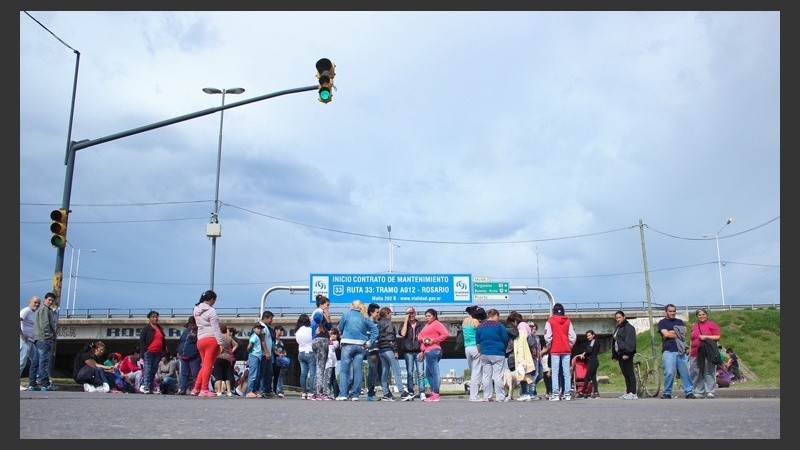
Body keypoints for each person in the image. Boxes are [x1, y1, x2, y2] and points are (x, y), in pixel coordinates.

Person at [336, 300, 378, 401]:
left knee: (344, 370)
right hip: (361, 345)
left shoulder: (346, 314)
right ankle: (355, 395)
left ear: (354, 305)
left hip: (348, 344)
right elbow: (375, 331)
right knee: (358, 370)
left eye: (350, 304)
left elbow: (340, 327)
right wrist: (369, 342)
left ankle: (343, 394)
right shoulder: (364, 317)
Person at [657, 303, 696, 399]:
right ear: (666, 312)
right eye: (670, 311)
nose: (672, 313)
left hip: (681, 351)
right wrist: (677, 332)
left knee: (685, 372)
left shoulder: (680, 321)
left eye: (674, 311)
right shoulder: (662, 322)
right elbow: (666, 335)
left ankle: (689, 392)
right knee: (669, 372)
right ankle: (667, 392)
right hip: (668, 351)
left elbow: (684, 333)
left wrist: (670, 332)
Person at [376, 307, 413, 401]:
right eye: (390, 314)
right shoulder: (388, 323)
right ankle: (402, 392)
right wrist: (395, 351)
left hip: (381, 350)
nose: (391, 315)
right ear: (387, 314)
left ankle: (386, 393)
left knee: (384, 372)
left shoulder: (378, 324)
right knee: (397, 372)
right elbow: (391, 338)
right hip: (389, 349)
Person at [192, 289, 223, 397]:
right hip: (211, 339)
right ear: (211, 299)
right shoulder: (211, 311)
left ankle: (196, 388)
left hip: (200, 339)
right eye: (214, 300)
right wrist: (220, 342)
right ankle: (204, 389)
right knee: (208, 366)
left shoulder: (196, 309)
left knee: (205, 365)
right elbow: (215, 328)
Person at [475, 308, 509, 402]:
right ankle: (500, 396)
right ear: (495, 316)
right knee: (498, 375)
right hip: (498, 352)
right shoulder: (499, 326)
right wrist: (504, 347)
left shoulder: (480, 327)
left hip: (485, 353)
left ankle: (487, 396)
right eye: (498, 316)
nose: (498, 318)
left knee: (486, 376)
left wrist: (480, 352)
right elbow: (505, 338)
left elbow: (477, 342)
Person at [544, 302, 576, 401]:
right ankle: (567, 394)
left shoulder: (550, 321)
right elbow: (573, 336)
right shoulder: (568, 321)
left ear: (553, 311)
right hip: (566, 349)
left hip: (555, 349)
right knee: (566, 372)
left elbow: (547, 336)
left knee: (555, 372)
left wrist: (549, 345)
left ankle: (556, 394)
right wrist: (570, 345)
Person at [417, 308, 450, 402]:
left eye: (429, 316)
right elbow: (419, 336)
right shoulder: (426, 325)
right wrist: (423, 340)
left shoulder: (437, 324)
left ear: (434, 316)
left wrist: (433, 340)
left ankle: (435, 394)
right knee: (428, 373)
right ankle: (434, 393)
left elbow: (445, 334)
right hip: (427, 351)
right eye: (426, 316)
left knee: (435, 373)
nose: (427, 318)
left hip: (434, 350)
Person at [689, 308, 722, 399]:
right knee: (696, 372)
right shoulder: (694, 326)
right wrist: (690, 352)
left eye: (703, 314)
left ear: (706, 315)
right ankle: (699, 391)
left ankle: (710, 391)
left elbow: (717, 337)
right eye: (699, 315)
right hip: (695, 353)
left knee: (709, 371)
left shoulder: (712, 325)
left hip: (708, 352)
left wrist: (706, 337)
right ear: (697, 316)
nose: (701, 316)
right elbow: (692, 340)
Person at [29, 292, 59, 391]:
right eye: (49, 300)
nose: (50, 302)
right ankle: (45, 384)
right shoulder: (45, 310)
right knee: (44, 362)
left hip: (38, 339)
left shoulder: (40, 310)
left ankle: (32, 384)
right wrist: (50, 336)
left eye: (52, 300)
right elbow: (46, 325)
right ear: (44, 300)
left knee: (35, 362)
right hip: (44, 339)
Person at [138, 310, 167, 394]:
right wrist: (144, 351)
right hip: (149, 352)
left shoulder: (159, 328)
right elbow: (142, 341)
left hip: (158, 352)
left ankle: (151, 386)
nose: (155, 318)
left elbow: (162, 340)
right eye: (153, 317)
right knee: (148, 369)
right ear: (149, 318)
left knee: (153, 370)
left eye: (156, 317)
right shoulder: (146, 329)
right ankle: (146, 386)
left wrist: (164, 350)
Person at [399, 306, 425, 399]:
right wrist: (406, 321)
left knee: (420, 372)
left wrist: (423, 351)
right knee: (410, 372)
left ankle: (422, 392)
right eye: (408, 313)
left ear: (415, 313)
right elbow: (402, 334)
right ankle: (410, 391)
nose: (411, 315)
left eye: (412, 313)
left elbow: (424, 338)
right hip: (408, 351)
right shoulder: (404, 324)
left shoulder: (421, 325)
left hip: (418, 350)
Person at [311, 294, 334, 400]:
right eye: (327, 305)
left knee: (319, 366)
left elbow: (329, 327)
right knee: (320, 367)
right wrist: (320, 325)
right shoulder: (319, 312)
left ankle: (316, 391)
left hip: (320, 340)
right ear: (322, 304)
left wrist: (328, 316)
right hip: (320, 340)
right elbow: (317, 318)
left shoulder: (323, 313)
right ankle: (319, 392)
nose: (328, 307)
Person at [612, 310, 638, 400]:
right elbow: (615, 341)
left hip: (626, 354)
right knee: (625, 374)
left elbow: (631, 341)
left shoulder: (628, 327)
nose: (618, 319)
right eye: (616, 318)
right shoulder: (618, 327)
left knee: (630, 373)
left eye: (619, 317)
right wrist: (615, 355)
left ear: (624, 317)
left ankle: (633, 393)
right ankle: (628, 392)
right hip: (620, 354)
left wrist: (628, 353)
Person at [463, 305, 486, 401]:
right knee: (477, 373)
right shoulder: (475, 321)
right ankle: (474, 396)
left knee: (473, 372)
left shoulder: (464, 321)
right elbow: (482, 333)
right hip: (475, 347)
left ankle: (472, 394)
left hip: (467, 347)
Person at [20, 295, 40, 389]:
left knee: (35, 360)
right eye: (35, 302)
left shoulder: (34, 313)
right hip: (24, 341)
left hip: (31, 341)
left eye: (38, 303)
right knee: (22, 361)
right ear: (29, 302)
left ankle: (37, 380)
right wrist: (22, 334)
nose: (37, 304)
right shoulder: (26, 310)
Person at [176, 316, 200, 395]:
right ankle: (182, 389)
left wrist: (195, 337)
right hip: (183, 354)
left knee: (195, 373)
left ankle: (196, 389)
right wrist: (178, 351)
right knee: (184, 373)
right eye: (190, 325)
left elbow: (201, 343)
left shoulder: (199, 331)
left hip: (194, 355)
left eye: (193, 325)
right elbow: (181, 341)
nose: (192, 326)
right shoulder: (186, 330)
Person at [295, 313, 316, 400]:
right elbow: (314, 340)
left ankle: (304, 393)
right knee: (312, 374)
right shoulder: (310, 330)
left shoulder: (297, 331)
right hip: (310, 352)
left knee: (303, 374)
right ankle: (311, 392)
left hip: (301, 353)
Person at [365, 302, 382, 401]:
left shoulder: (377, 323)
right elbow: (367, 338)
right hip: (371, 350)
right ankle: (370, 394)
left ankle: (382, 392)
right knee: (372, 371)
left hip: (378, 350)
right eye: (376, 312)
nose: (378, 314)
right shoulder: (367, 323)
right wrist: (370, 351)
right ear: (371, 312)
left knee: (378, 372)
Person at [576, 330, 600, 399]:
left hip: (593, 361)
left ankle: (583, 392)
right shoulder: (591, 342)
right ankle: (596, 392)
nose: (588, 337)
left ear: (593, 335)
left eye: (589, 335)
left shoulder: (593, 341)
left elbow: (589, 350)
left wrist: (584, 353)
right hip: (592, 361)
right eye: (587, 336)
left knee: (587, 377)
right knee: (593, 377)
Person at [213, 323, 235, 396]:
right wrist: (231, 351)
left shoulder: (217, 337)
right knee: (226, 375)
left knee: (218, 375)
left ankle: (219, 391)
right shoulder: (229, 337)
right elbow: (236, 345)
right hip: (227, 357)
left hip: (219, 356)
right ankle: (229, 392)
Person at [257, 310, 275, 398]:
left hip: (267, 354)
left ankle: (267, 390)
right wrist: (267, 352)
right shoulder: (261, 327)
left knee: (269, 373)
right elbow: (262, 341)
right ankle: (259, 390)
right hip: (263, 354)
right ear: (266, 317)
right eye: (270, 319)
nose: (272, 321)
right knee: (262, 373)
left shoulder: (266, 327)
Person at [245, 322, 265, 398]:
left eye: (260, 329)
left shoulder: (257, 337)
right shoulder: (254, 336)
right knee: (253, 374)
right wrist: (250, 353)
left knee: (257, 374)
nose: (259, 330)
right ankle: (249, 390)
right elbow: (249, 346)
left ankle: (255, 390)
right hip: (254, 355)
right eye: (258, 328)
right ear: (254, 329)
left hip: (258, 356)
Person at [272, 325, 287, 398]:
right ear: (276, 330)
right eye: (280, 330)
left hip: (280, 360)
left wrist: (284, 354)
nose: (281, 332)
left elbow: (283, 349)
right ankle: (275, 390)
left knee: (279, 375)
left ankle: (279, 390)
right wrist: (279, 354)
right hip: (275, 359)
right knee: (273, 375)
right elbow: (273, 349)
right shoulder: (273, 339)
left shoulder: (281, 341)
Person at [325, 328, 340, 399]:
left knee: (331, 378)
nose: (333, 335)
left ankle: (335, 393)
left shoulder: (336, 342)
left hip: (332, 363)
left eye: (335, 334)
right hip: (326, 362)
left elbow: (331, 346)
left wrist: (330, 338)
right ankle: (335, 392)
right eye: (331, 334)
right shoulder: (327, 341)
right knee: (331, 378)